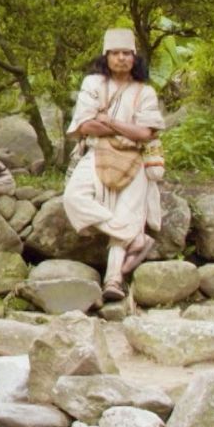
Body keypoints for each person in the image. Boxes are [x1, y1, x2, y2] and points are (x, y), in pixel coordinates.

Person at [62, 28, 166, 301]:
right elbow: (84, 125)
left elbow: (146, 133)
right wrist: (126, 129)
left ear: (134, 57)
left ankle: (113, 280)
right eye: (115, 53)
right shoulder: (93, 84)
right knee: (74, 197)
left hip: (135, 159)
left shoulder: (145, 92)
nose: (121, 58)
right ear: (106, 56)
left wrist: (109, 121)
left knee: (128, 210)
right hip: (96, 153)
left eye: (126, 53)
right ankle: (137, 239)